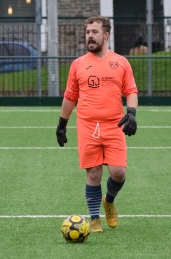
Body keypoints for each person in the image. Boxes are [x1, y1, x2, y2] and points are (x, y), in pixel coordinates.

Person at [56, 16, 138, 233]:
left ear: (106, 35)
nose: (89, 36)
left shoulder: (121, 62)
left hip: (114, 125)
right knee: (93, 173)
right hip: (87, 126)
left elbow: (131, 91)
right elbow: (70, 96)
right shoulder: (78, 64)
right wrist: (62, 124)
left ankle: (108, 201)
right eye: (87, 32)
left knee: (118, 172)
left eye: (94, 31)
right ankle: (94, 218)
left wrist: (131, 113)